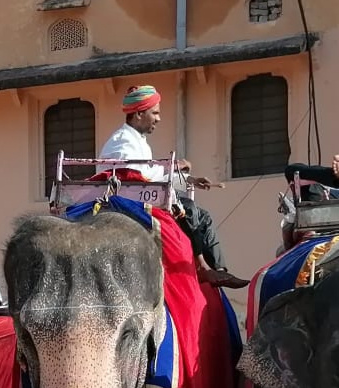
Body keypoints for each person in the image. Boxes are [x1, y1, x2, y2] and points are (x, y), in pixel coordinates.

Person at [101, 85, 245, 287]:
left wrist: (189, 179)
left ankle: (218, 270)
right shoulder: (123, 142)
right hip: (133, 200)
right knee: (192, 211)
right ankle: (203, 267)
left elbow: (149, 173)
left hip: (142, 193)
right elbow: (134, 176)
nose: (158, 119)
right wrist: (173, 166)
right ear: (139, 113)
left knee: (203, 216)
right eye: (155, 113)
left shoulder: (135, 140)